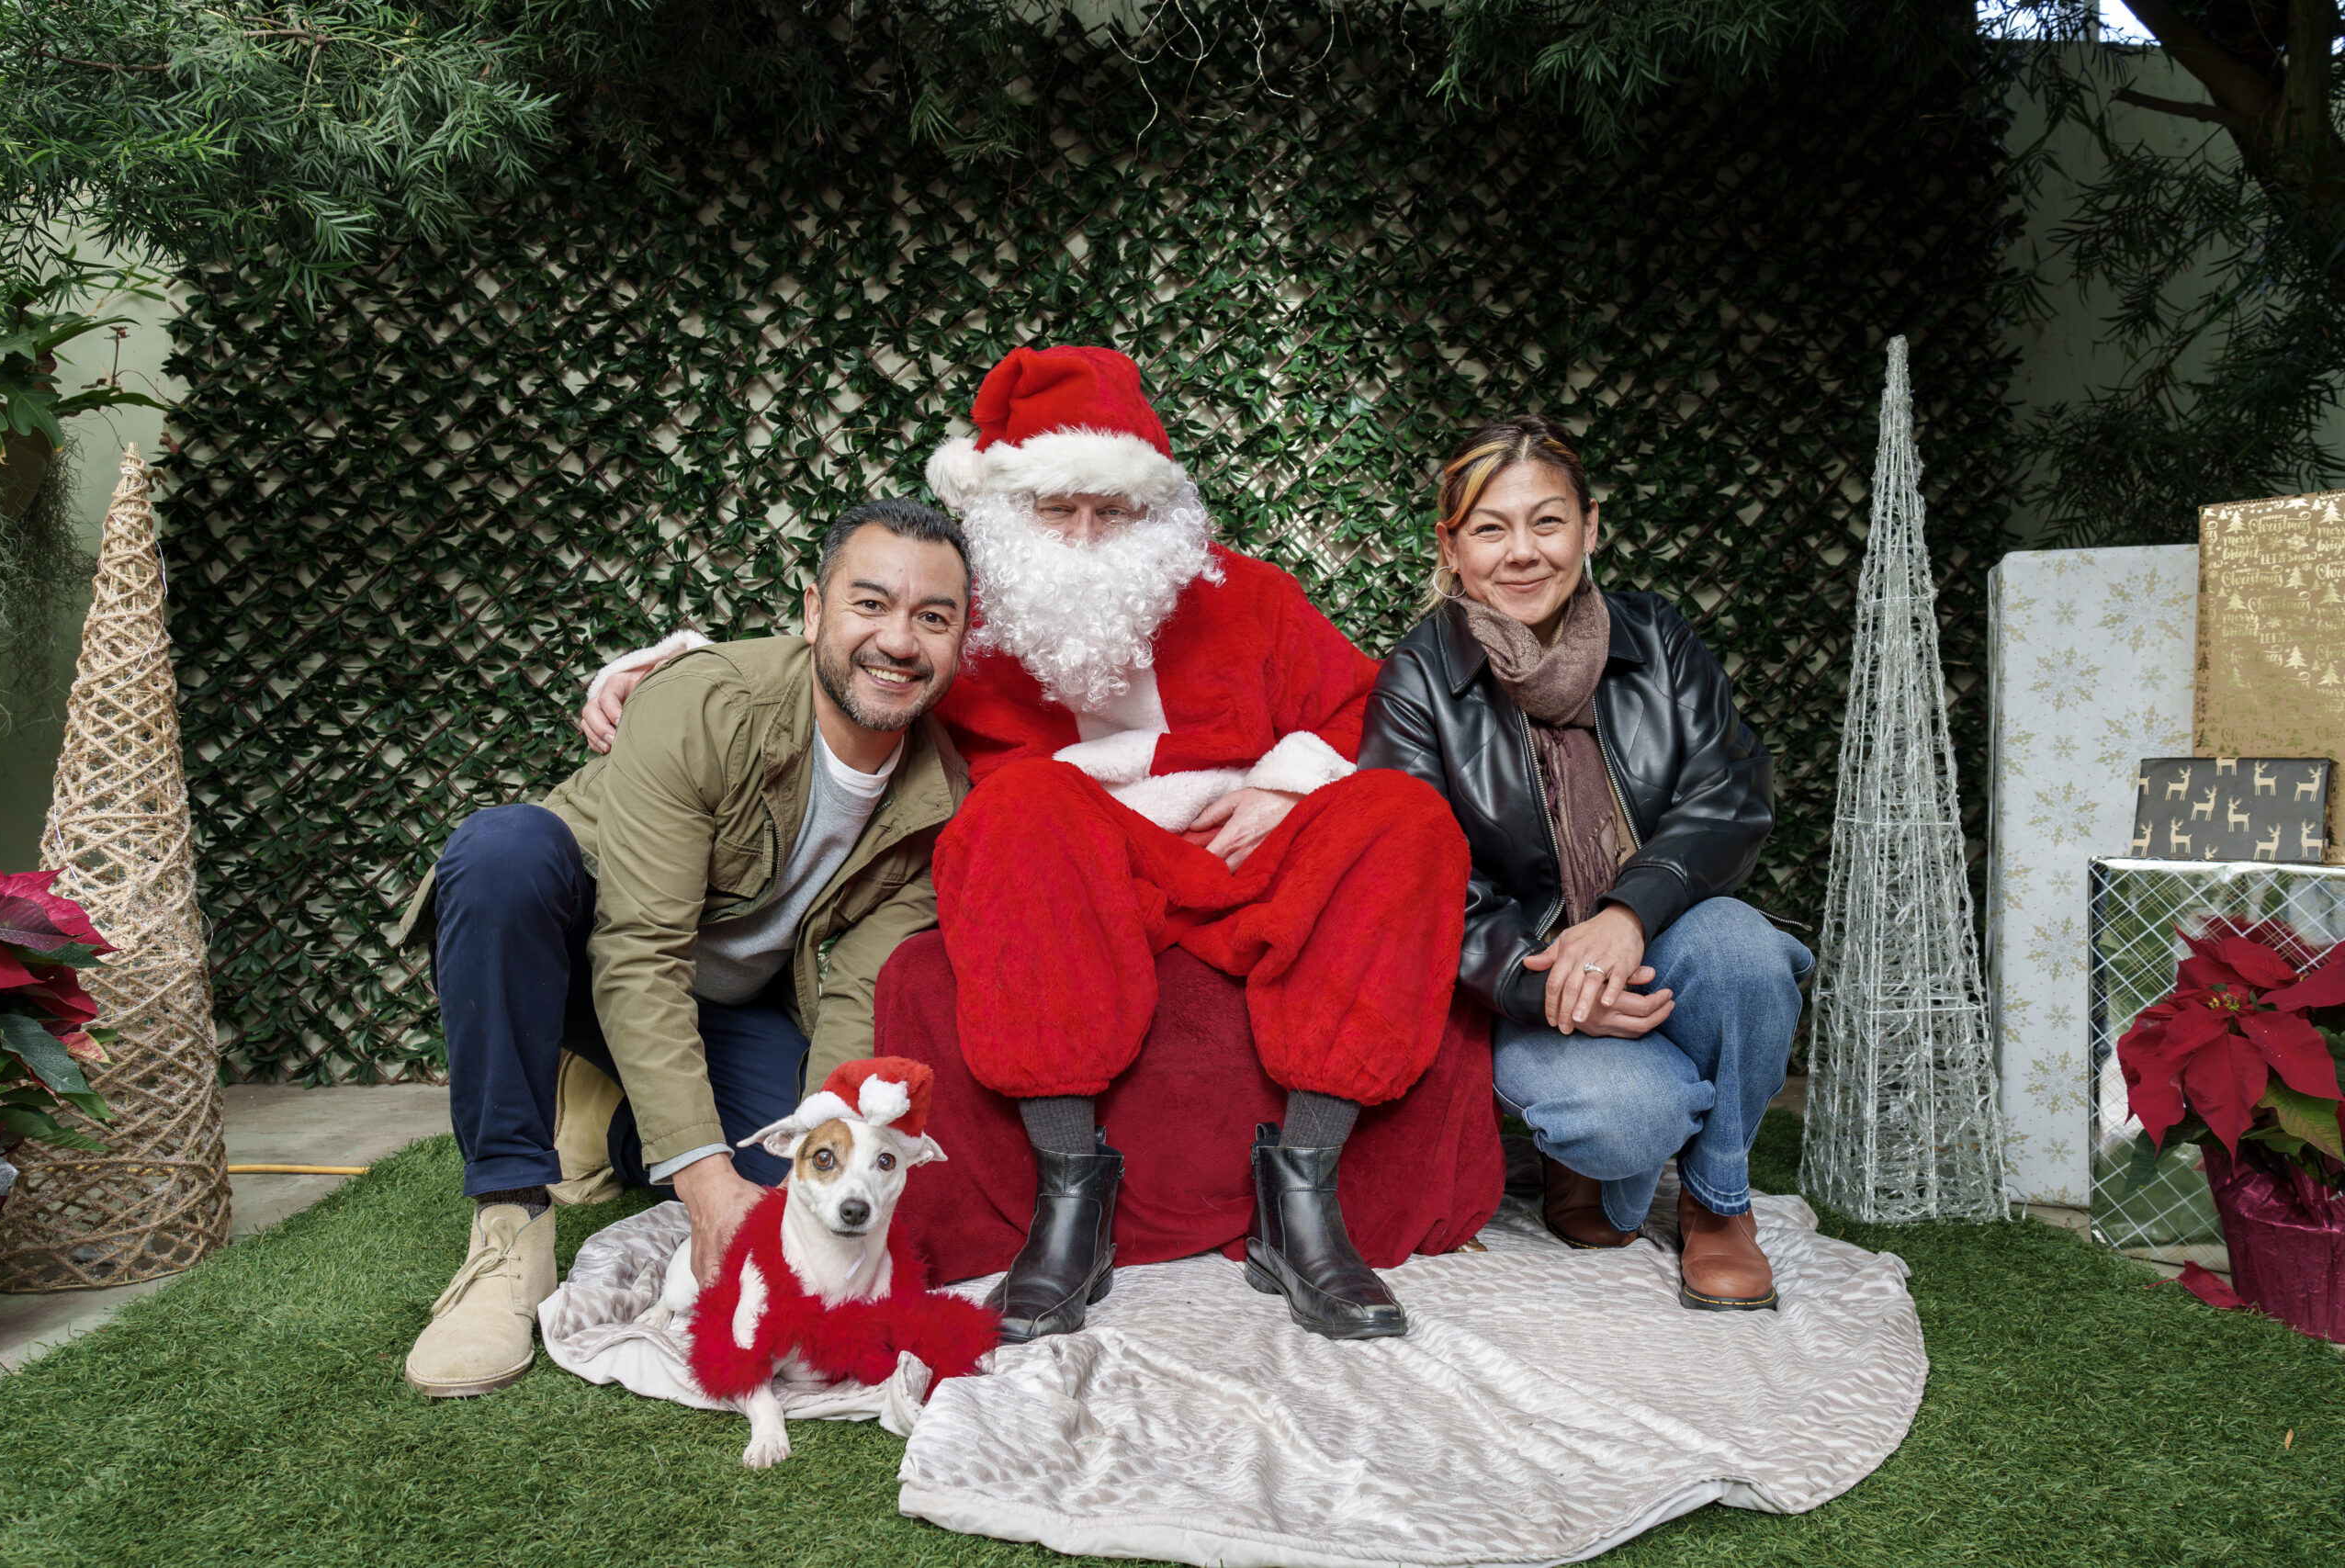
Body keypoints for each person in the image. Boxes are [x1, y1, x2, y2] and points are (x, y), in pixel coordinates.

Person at [589, 344, 1475, 1343]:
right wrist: (674, 669)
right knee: (1016, 807)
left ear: (1158, 512)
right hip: (1080, 885)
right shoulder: (958, 627)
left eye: (1114, 509)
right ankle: (1070, 1202)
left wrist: (1285, 782)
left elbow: (1364, 706)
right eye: (1058, 509)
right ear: (1008, 514)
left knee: (1405, 816)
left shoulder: (1250, 596)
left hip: (1247, 865)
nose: (1087, 536)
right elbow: (850, 660)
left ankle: (1303, 1201)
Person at [394, 500, 972, 1398]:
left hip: (730, 1005)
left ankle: (613, 1121)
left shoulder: (940, 799)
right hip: (581, 953)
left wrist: (823, 1156)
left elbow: (859, 991)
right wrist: (702, 1185)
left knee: (783, 1179)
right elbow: (637, 951)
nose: (898, 640)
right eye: (869, 604)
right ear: (812, 611)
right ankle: (509, 1224)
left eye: (932, 617)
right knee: (501, 853)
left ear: (961, 640)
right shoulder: (707, 703)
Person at [1359, 416, 1811, 1312]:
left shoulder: (1658, 639)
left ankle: (1718, 1200)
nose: (1522, 552)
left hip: (1662, 938)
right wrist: (1553, 985)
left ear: (1590, 526)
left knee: (1745, 952)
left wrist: (1627, 914)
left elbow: (1729, 791)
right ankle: (1599, 1145)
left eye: (1548, 521)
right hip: (1525, 975)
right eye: (1490, 528)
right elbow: (1413, 879)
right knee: (1627, 1119)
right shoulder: (1418, 683)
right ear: (1450, 547)